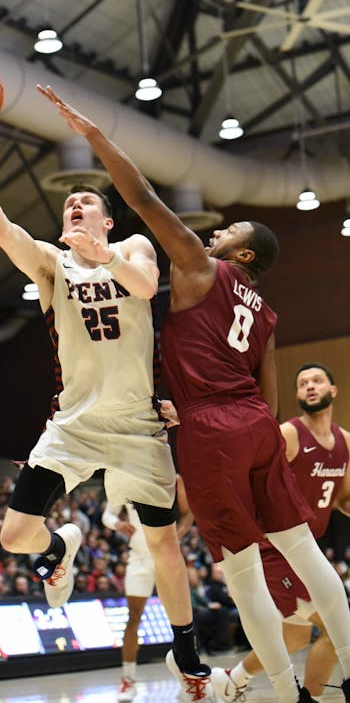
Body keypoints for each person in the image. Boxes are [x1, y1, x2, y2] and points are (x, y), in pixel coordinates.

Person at [36, 84, 350, 703]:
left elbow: (142, 198)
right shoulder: (266, 312)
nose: (215, 233)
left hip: (211, 429)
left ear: (243, 252)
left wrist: (95, 136)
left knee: (242, 571)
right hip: (256, 422)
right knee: (306, 552)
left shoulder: (202, 268)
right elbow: (269, 396)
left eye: (227, 230)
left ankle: (283, 693)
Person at [0, 99, 214, 701]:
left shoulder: (133, 247)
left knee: (162, 542)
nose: (76, 206)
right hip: (74, 425)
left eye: (86, 202)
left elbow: (145, 286)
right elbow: (0, 230)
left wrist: (104, 256)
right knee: (14, 538)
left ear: (107, 220)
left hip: (138, 424)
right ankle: (58, 548)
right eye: (69, 204)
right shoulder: (52, 266)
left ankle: (186, 649)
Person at [214, 362, 350, 702]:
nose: (310, 386)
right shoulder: (288, 434)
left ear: (333, 391)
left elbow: (343, 499)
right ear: (297, 394)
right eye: (303, 383)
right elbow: (250, 481)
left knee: (295, 638)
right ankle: (311, 699)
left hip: (307, 551)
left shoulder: (346, 442)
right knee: (335, 629)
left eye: (317, 381)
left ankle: (232, 680)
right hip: (273, 549)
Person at [102, 472, 193, 701]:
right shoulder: (123, 477)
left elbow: (188, 513)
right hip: (140, 558)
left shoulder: (173, 478)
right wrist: (118, 523)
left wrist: (178, 536)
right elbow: (107, 515)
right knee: (133, 617)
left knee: (181, 620)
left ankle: (190, 676)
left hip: (167, 555)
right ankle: (128, 679)